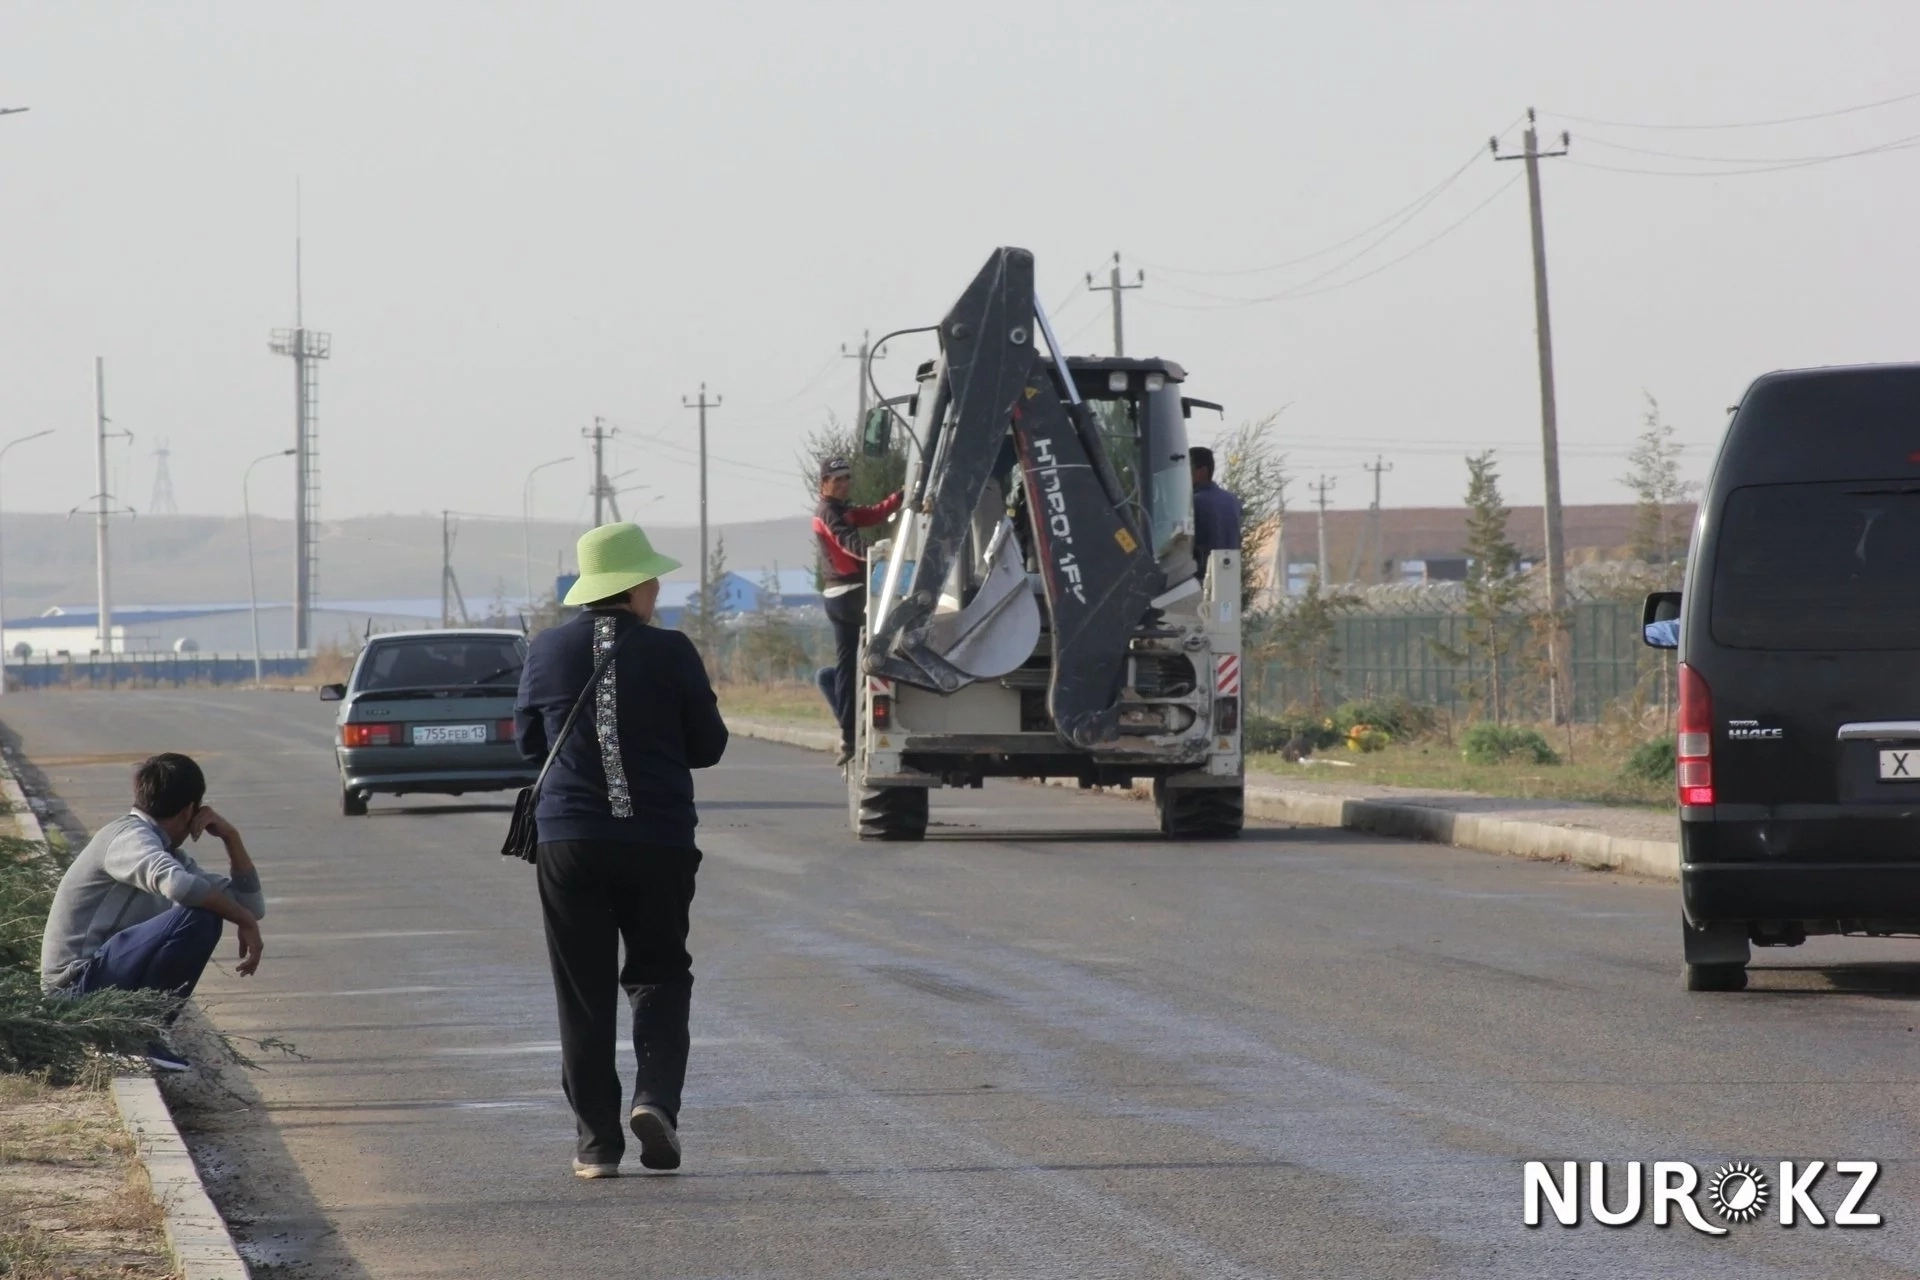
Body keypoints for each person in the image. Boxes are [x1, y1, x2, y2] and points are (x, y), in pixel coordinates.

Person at [516, 521, 729, 1179]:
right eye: (653, 579)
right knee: (661, 975)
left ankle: (596, 1148)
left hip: (570, 840)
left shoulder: (546, 650)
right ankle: (656, 1101)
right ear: (635, 585)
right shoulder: (672, 651)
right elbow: (709, 747)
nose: (658, 589)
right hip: (658, 841)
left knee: (582, 993)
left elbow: (529, 744)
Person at [39, 752, 266, 1073]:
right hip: (74, 990)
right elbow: (178, 887)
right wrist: (240, 919)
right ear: (190, 810)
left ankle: (141, 1033)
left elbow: (251, 907)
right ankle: (134, 1039)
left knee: (207, 906)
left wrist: (232, 838)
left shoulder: (167, 852)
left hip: (102, 980)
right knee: (200, 914)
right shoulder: (128, 837)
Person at [812, 458, 903, 765]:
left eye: (847, 478)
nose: (844, 483)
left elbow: (875, 512)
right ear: (823, 483)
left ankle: (849, 737)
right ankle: (852, 734)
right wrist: (879, 553)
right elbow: (848, 543)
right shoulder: (827, 512)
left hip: (844, 595)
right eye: (837, 479)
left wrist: (902, 496)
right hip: (847, 595)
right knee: (885, 647)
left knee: (847, 667)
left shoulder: (842, 509)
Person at [1189, 445, 1243, 582]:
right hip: (1229, 579)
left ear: (1202, 471)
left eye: (1187, 470)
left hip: (1202, 581)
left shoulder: (1193, 503)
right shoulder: (1233, 500)